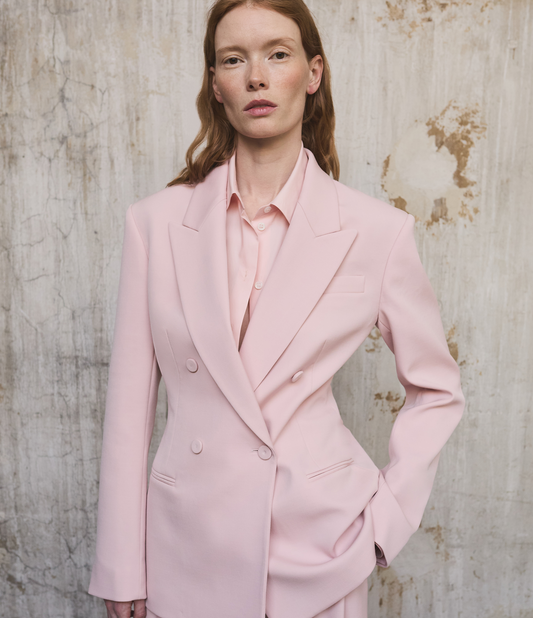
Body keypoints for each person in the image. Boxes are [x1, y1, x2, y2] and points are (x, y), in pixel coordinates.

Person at [88, 1, 465, 617]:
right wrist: (121, 564)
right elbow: (129, 410)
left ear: (313, 73)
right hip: (185, 547)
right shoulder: (154, 224)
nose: (257, 77)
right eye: (234, 59)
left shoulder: (377, 231)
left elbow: (437, 389)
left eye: (278, 54)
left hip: (321, 546)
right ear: (216, 84)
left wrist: (385, 522)